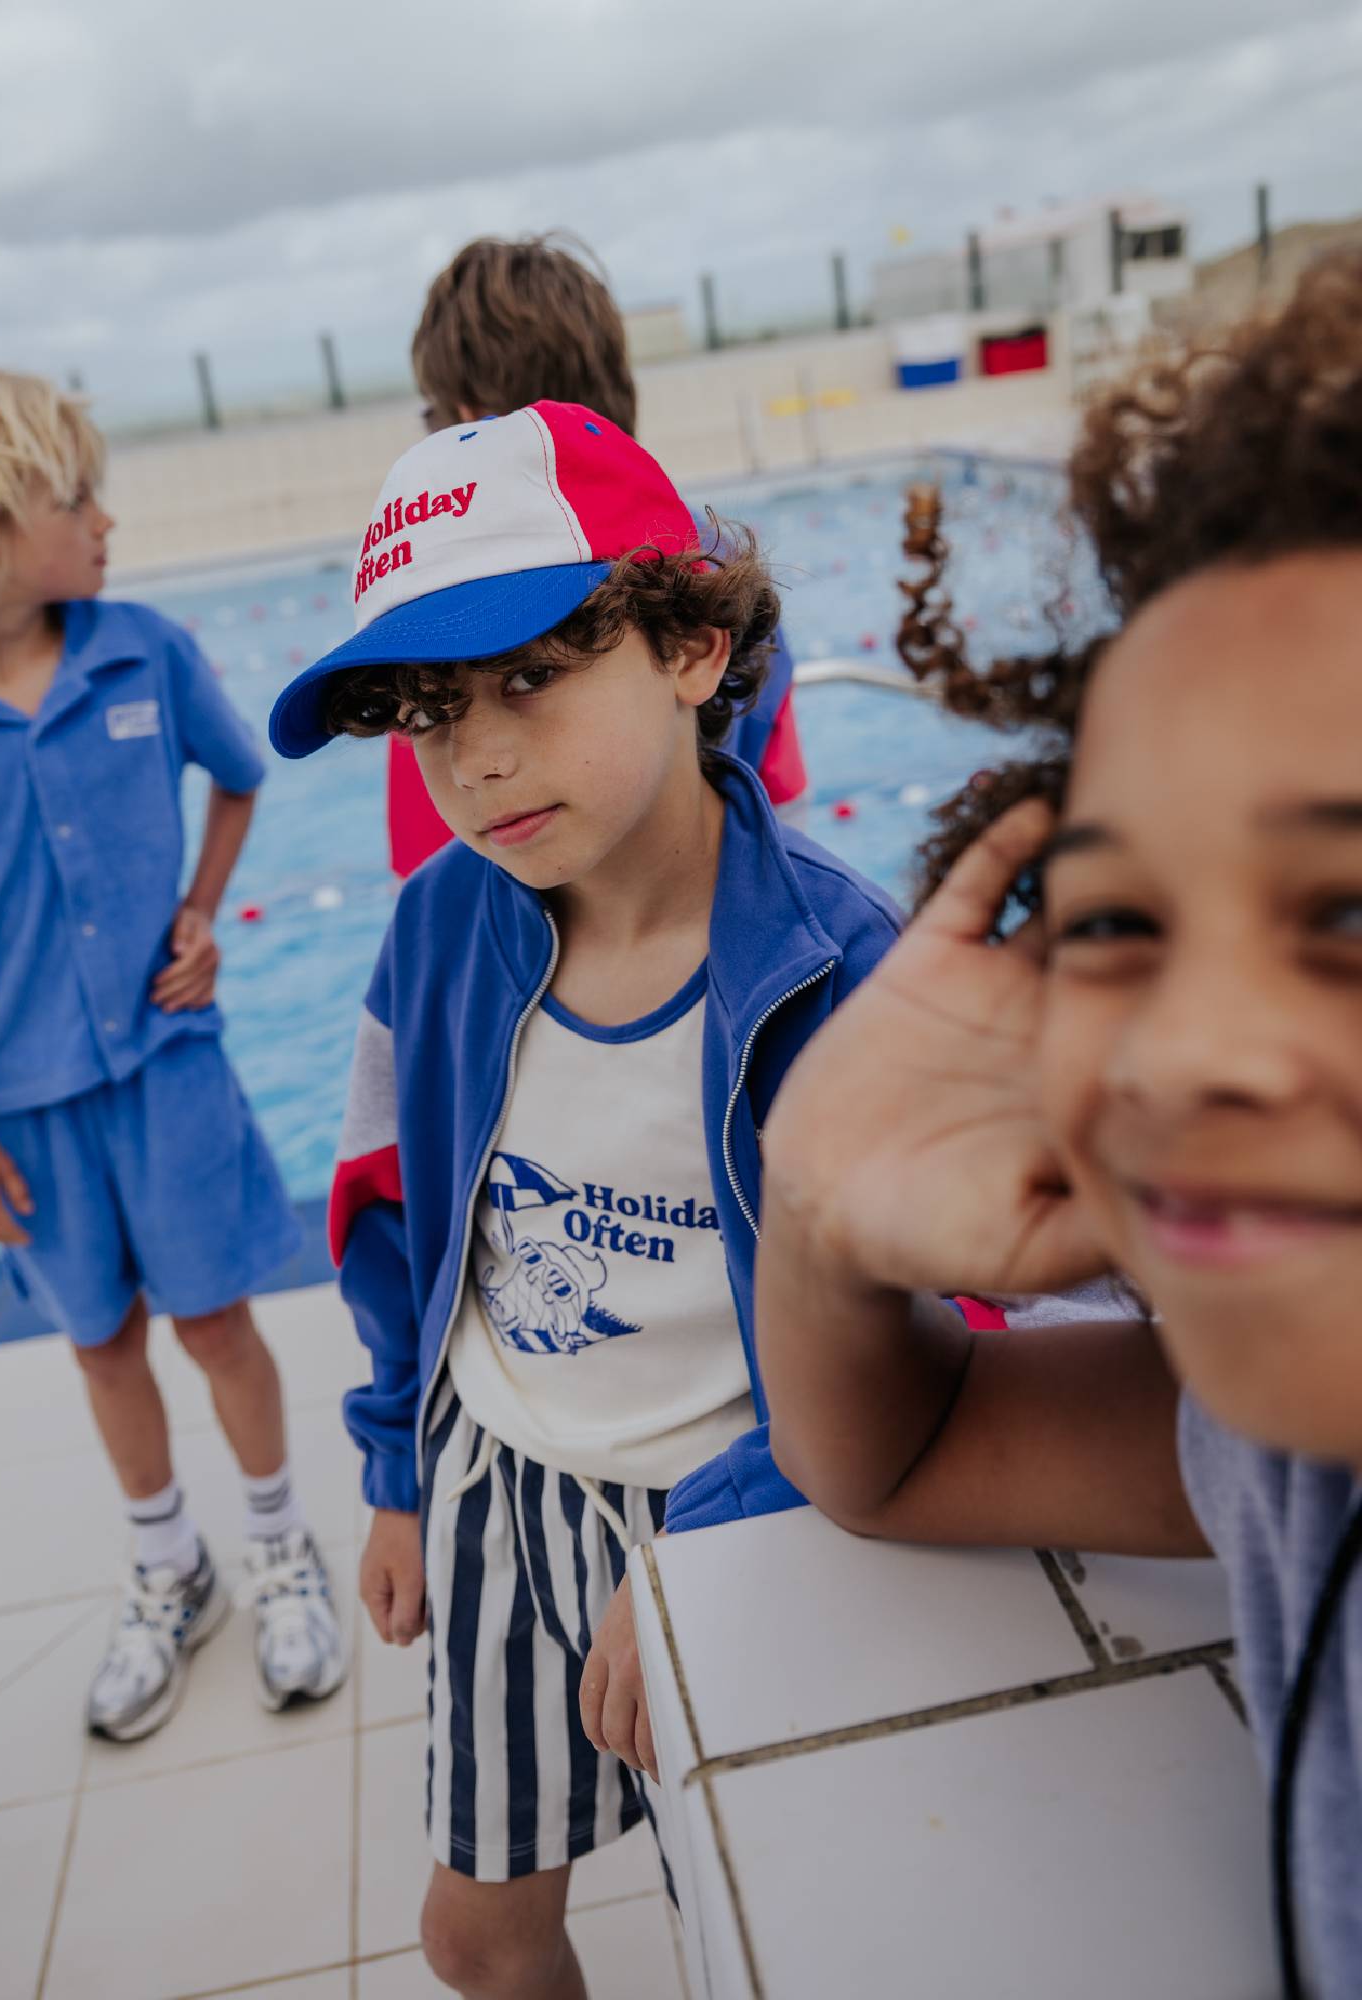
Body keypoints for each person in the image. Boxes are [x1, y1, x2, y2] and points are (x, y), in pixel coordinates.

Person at [756, 256, 1362, 1999]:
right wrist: (813, 1199)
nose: (1185, 1051)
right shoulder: (1294, 1463)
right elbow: (897, 1454)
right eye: (1114, 924)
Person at [267, 400, 899, 1999]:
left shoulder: (838, 967)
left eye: (529, 681)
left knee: (753, 1920)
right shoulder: (435, 933)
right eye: (427, 712)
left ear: (692, 644)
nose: (474, 757)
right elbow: (394, 1214)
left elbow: (924, 1315)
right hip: (497, 1475)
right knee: (474, 1932)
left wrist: (730, 1530)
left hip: (739, 1500)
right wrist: (400, 1466)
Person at [0, 367, 345, 1742]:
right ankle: (173, 1568)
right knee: (104, 1346)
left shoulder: (143, 651)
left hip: (169, 1068)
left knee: (218, 1322)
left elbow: (238, 773)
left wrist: (203, 910)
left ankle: (283, 1544)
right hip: (17, 1107)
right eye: (78, 497)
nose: (107, 521)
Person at [383, 233, 808, 878]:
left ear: (469, 419)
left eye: (533, 679)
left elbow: (423, 877)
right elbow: (785, 804)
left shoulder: (444, 619)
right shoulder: (723, 566)